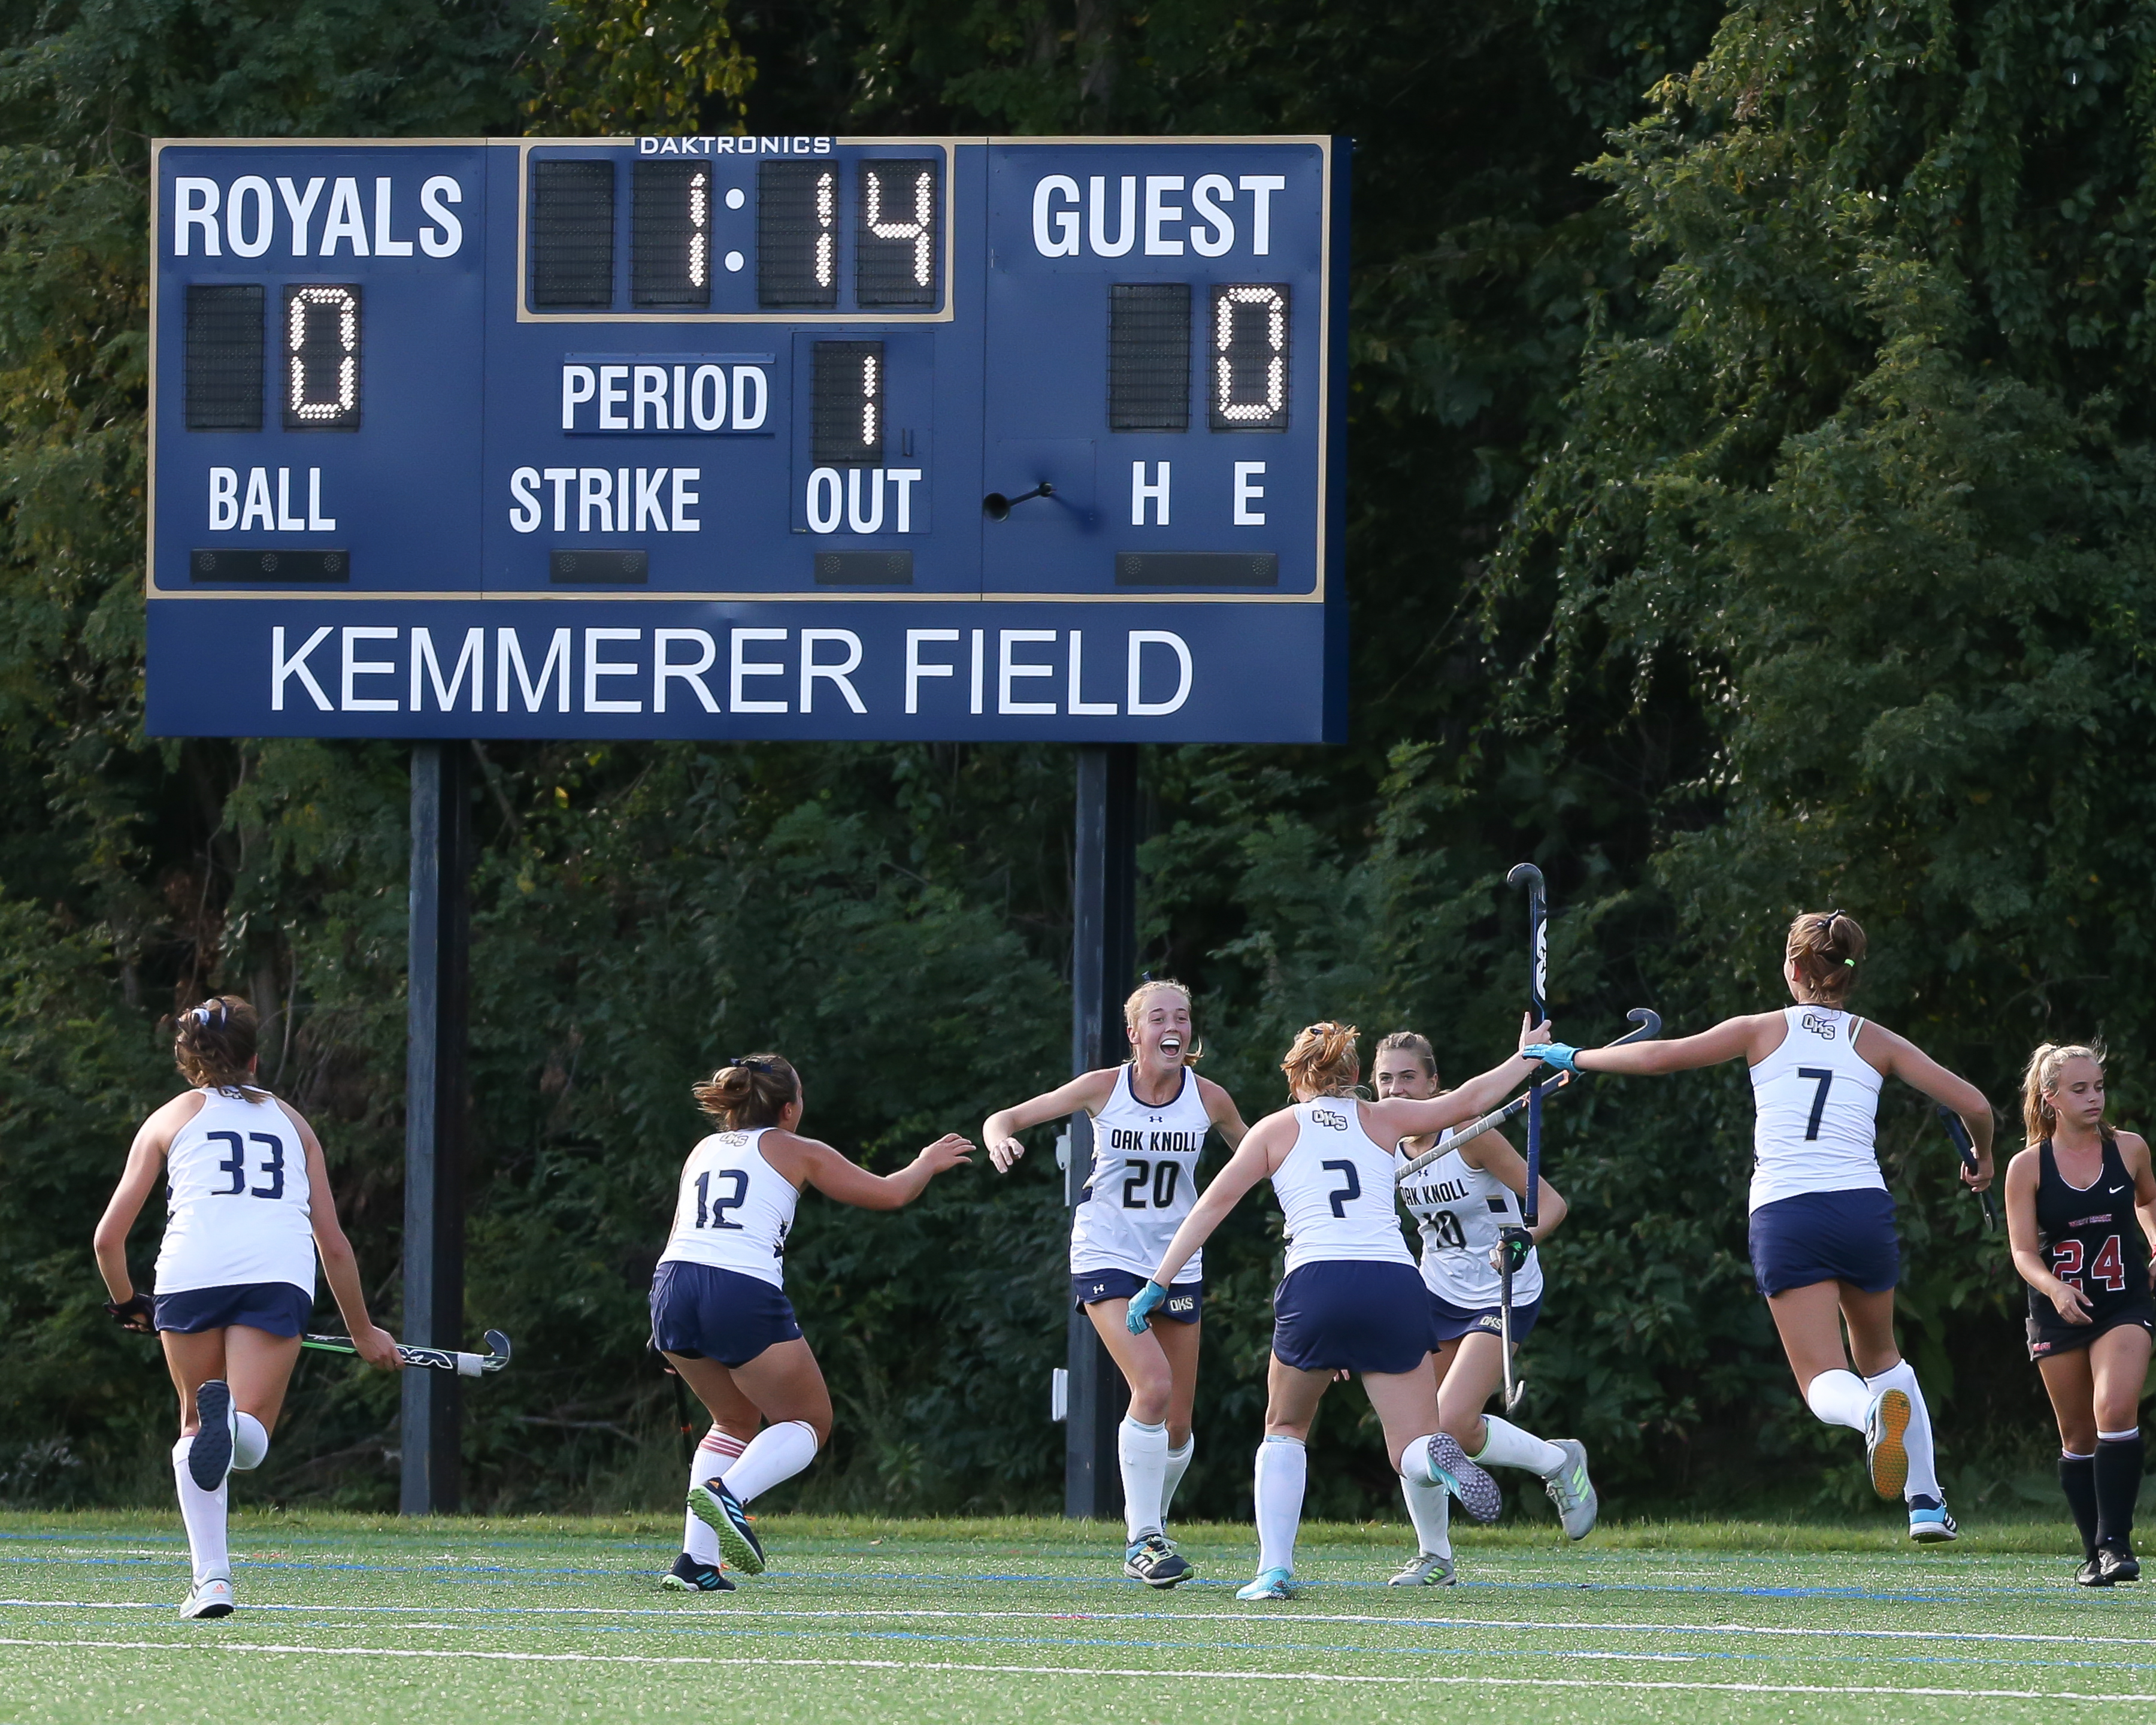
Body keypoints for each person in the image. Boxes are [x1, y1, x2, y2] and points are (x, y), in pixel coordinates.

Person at [1525, 910, 1993, 1542]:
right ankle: (1928, 1505)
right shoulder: (1876, 1039)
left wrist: (1573, 1056)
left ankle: (1869, 1416)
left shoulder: (1760, 1029)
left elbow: (1662, 1057)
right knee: (1882, 1356)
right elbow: (1975, 1104)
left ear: (1794, 969)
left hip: (1788, 1210)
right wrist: (1983, 1157)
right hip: (1861, 1208)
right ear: (1848, 972)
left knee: (1823, 1378)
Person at [1127, 1018, 1554, 1601]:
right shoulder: (1386, 1117)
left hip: (1318, 1283)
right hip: (1396, 1284)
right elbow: (1471, 1098)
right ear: (1356, 1077)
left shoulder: (1275, 1130)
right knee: (1411, 1447)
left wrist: (1158, 1282)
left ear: (1295, 1076)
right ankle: (1439, 1457)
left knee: (1285, 1428)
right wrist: (1526, 1057)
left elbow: (1211, 1207)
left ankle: (1274, 1570)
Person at [92, 996, 402, 1620]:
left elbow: (107, 1239)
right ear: (255, 1058)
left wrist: (128, 1303)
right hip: (275, 1273)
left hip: (189, 1274)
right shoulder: (293, 1122)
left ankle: (212, 1583)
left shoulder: (167, 1119)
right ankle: (232, 1426)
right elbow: (333, 1244)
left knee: (192, 1429)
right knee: (251, 1437)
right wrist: (364, 1331)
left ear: (187, 1062)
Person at [655, 1053, 971, 1591]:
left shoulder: (703, 1149)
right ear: (788, 1108)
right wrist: (926, 1162)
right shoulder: (797, 1149)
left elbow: (687, 1234)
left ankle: (695, 1564)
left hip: (670, 1289)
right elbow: (890, 1193)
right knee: (808, 1422)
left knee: (733, 1421)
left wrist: (672, 1328)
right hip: (737, 1288)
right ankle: (728, 1494)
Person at [982, 980, 1249, 1588]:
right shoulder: (1105, 1087)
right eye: (1157, 1018)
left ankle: (1152, 1522)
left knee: (1178, 1424)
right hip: (1106, 1252)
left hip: (1177, 1261)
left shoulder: (1210, 1100)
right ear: (1135, 1034)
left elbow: (1262, 1156)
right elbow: (1008, 1116)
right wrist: (1000, 1136)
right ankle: (1143, 1540)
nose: (1171, 1026)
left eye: (1180, 1015)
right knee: (1151, 1387)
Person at [1374, 1031, 1597, 1587]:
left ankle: (1555, 1464)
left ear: (1433, 1084)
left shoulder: (1471, 1138)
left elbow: (1549, 1204)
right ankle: (1439, 1556)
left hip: (1502, 1290)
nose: (1396, 1090)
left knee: (1447, 1423)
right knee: (1419, 1432)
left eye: (1408, 1078)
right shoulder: (1385, 1147)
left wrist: (1522, 1238)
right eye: (1384, 1079)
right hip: (1436, 1294)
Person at [2003, 1043, 2156, 1585]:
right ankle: (2094, 1549)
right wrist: (2055, 1289)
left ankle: (2117, 1546)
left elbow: (2147, 1201)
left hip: (2123, 1302)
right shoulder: (2027, 1167)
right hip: (2059, 1312)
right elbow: (2022, 1253)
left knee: (2114, 1409)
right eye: (2079, 1089)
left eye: (2098, 1087)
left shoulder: (2130, 1148)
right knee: (2078, 1435)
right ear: (2050, 1099)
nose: (2094, 1097)